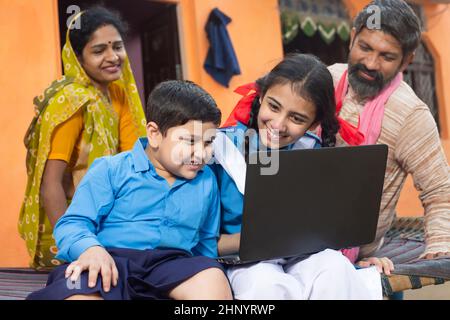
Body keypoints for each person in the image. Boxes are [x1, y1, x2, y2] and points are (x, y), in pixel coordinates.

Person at [27, 80, 232, 300]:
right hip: (108, 260)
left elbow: (205, 242)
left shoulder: (206, 180)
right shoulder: (111, 169)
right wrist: (90, 250)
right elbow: (72, 223)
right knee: (77, 290)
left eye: (209, 143)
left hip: (172, 267)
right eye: (190, 141)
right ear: (154, 133)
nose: (201, 154)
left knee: (212, 277)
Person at [212, 53, 393, 300]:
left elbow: (330, 230)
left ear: (313, 123)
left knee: (335, 269)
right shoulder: (218, 150)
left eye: (297, 118)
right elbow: (202, 240)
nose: (278, 124)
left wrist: (361, 259)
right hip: (244, 262)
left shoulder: (313, 150)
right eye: (273, 107)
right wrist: (253, 241)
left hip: (303, 257)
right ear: (261, 96)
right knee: (265, 286)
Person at [19, 7, 147, 269]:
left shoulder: (118, 96)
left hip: (105, 220)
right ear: (79, 58)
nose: (113, 57)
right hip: (65, 226)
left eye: (118, 47)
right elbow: (50, 184)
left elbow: (133, 160)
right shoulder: (71, 102)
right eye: (99, 51)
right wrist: (74, 243)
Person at [327, 0, 449, 260]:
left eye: (387, 56)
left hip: (356, 252)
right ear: (352, 39)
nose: (370, 64)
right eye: (365, 47)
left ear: (407, 60)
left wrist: (439, 247)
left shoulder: (411, 116)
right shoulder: (325, 81)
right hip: (294, 235)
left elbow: (440, 193)